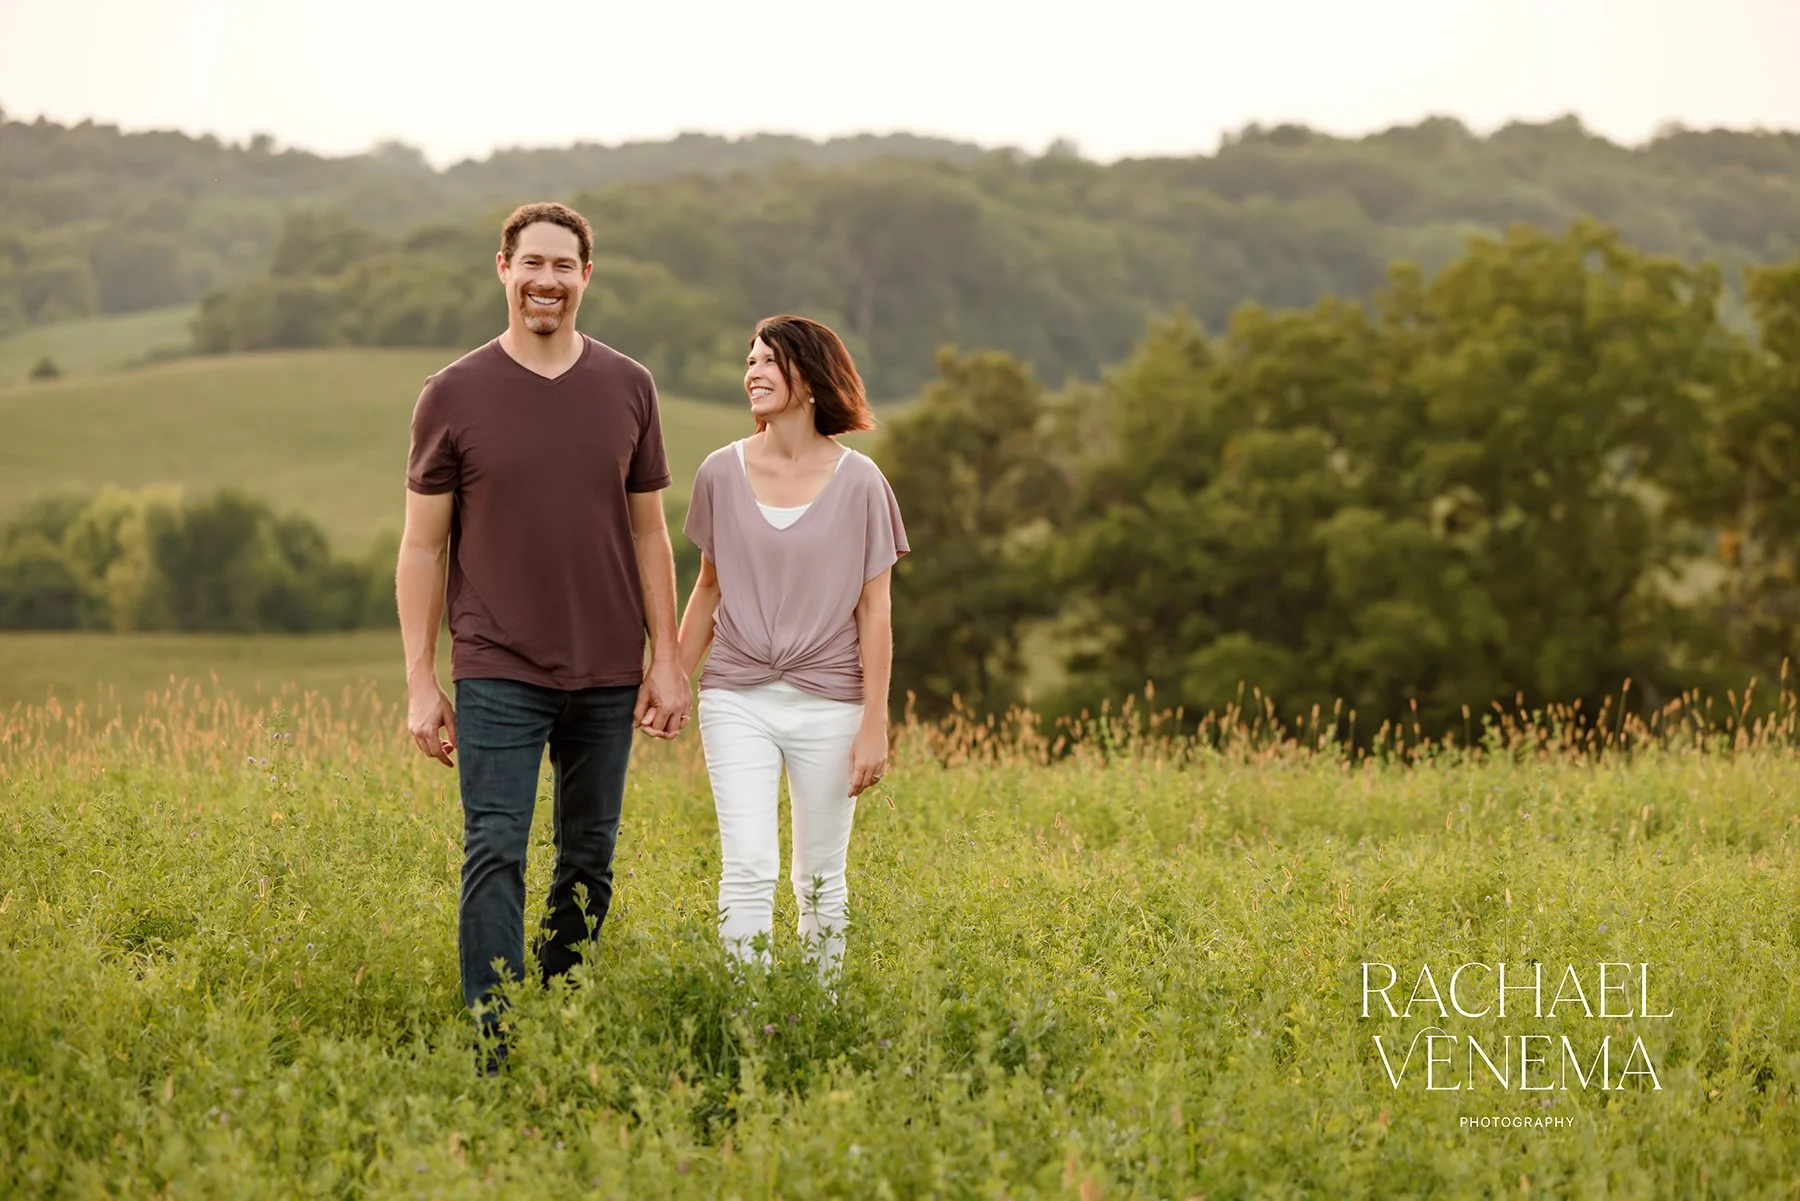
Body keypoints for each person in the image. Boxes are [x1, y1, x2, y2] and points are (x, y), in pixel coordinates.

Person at [396, 201, 690, 1066]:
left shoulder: (629, 386)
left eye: (565, 266)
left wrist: (666, 659)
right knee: (495, 847)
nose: (547, 281)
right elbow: (421, 544)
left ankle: (558, 1016)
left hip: (606, 666)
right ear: (503, 268)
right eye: (533, 264)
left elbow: (649, 533)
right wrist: (422, 679)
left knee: (589, 858)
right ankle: (496, 1042)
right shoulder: (451, 393)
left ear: (586, 277)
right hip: (498, 663)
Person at [677, 315, 908, 983]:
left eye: (768, 361)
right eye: (748, 360)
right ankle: (749, 1027)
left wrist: (874, 723)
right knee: (748, 864)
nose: (751, 372)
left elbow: (876, 610)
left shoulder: (862, 482)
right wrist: (667, 679)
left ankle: (815, 1021)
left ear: (807, 378)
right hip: (735, 695)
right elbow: (707, 590)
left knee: (820, 878)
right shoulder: (719, 472)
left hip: (832, 702)